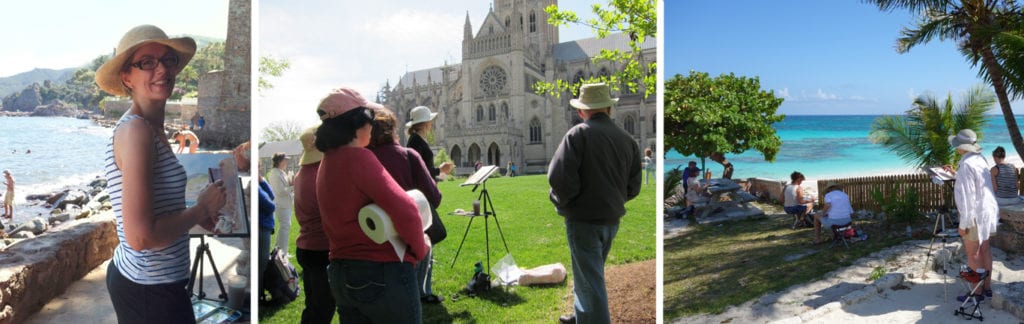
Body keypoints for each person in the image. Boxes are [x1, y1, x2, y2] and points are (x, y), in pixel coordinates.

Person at [95, 25, 227, 322]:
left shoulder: (150, 129)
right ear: (126, 77)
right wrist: (201, 208)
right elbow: (142, 237)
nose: (162, 69)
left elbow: (156, 214)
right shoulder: (136, 130)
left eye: (168, 60)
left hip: (155, 282)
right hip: (148, 289)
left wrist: (195, 216)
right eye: (147, 62)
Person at [314, 87, 428, 322]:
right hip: (379, 271)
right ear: (357, 124)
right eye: (370, 120)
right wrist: (419, 250)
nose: (372, 126)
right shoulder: (359, 157)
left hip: (339, 272)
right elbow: (406, 210)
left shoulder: (326, 163)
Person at [549, 83, 642, 324]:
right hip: (611, 220)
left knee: (591, 281)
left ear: (582, 111)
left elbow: (558, 178)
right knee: (589, 275)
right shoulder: (628, 140)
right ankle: (581, 316)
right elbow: (633, 187)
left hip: (584, 220)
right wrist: (613, 200)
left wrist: (563, 202)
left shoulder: (578, 134)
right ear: (609, 109)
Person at [369, 107, 445, 304]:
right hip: (411, 216)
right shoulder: (408, 154)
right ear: (392, 131)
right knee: (420, 252)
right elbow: (434, 197)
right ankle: (420, 292)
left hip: (376, 224)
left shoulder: (364, 159)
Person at [943, 129, 1000, 301]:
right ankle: (987, 287)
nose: (956, 149)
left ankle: (977, 293)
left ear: (963, 147)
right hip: (988, 211)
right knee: (985, 249)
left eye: (957, 146)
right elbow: (977, 184)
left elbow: (967, 199)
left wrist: (963, 225)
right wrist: (956, 174)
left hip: (975, 214)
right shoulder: (980, 159)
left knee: (973, 253)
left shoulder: (966, 164)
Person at [292, 127, 334, 323]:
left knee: (314, 306)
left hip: (306, 246)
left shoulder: (302, 174)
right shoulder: (321, 174)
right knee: (322, 308)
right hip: (320, 248)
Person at [404, 105, 454, 181]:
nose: (432, 123)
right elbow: (419, 172)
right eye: (430, 120)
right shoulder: (415, 141)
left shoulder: (417, 139)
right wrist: (440, 170)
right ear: (425, 123)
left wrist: (438, 174)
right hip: (422, 189)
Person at [267, 152, 294, 255]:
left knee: (285, 227)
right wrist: (293, 186)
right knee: (285, 227)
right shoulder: (274, 174)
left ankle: (279, 250)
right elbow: (280, 191)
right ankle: (282, 252)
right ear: (279, 161)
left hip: (285, 203)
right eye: (285, 160)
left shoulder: (281, 172)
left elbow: (286, 187)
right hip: (280, 204)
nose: (286, 162)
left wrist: (291, 183)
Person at [257, 173, 275, 302]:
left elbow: (271, 195)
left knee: (261, 264)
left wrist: (262, 180)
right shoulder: (255, 188)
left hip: (264, 226)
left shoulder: (258, 184)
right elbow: (270, 205)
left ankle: (260, 293)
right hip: (262, 227)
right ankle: (259, 296)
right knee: (261, 264)